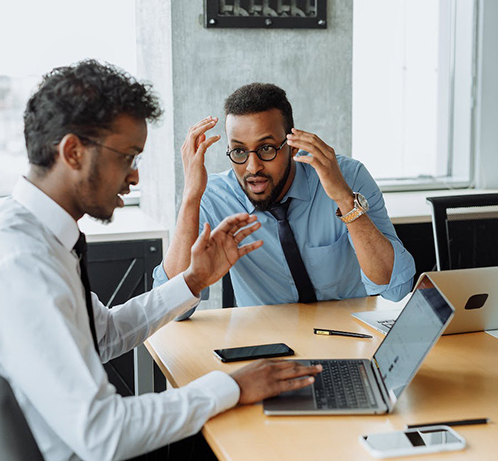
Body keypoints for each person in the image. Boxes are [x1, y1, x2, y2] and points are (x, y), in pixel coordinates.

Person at [0, 61, 321, 461]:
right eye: (127, 157)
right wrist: (231, 386)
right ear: (73, 152)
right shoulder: (22, 263)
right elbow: (103, 435)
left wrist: (192, 280)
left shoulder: (28, 232)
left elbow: (103, 336)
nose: (134, 177)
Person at [154, 83, 415, 315]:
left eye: (266, 148)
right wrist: (190, 198)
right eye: (239, 151)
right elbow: (170, 310)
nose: (252, 167)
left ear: (291, 146)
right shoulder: (213, 196)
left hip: (348, 339)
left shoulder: (347, 177)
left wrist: (345, 200)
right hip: (265, 349)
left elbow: (396, 288)